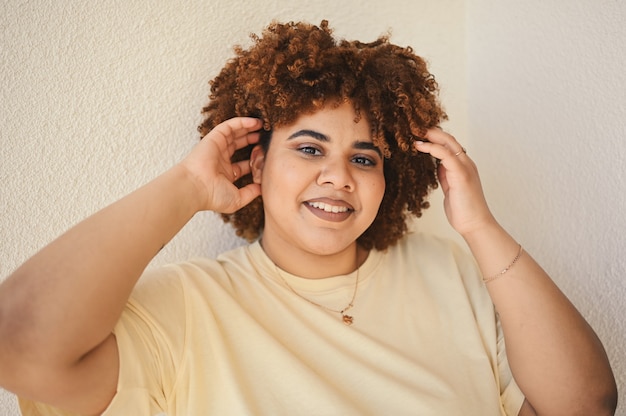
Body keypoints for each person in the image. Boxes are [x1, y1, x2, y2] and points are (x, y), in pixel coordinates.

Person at [0, 20, 617, 416]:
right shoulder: (185, 308)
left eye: (365, 156)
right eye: (309, 147)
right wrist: (187, 186)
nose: (339, 175)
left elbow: (587, 403)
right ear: (255, 162)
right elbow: (20, 343)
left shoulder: (449, 272)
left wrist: (480, 227)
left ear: (390, 179)